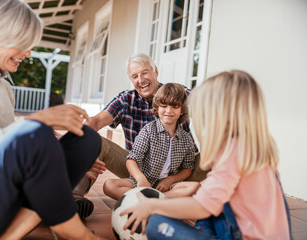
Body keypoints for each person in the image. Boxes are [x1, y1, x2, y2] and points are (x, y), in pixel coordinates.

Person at [0, 0, 105, 239]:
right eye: (22, 43)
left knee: (88, 139)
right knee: (34, 130)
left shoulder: (2, 86)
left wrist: (52, 156)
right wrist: (35, 122)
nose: (28, 53)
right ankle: (77, 233)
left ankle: (9, 235)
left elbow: (11, 149)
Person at [120, 70, 292, 239]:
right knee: (211, 202)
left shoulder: (233, 152)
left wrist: (152, 206)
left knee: (156, 222)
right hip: (250, 229)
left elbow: (202, 206)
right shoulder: (253, 147)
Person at [76, 53, 208, 218]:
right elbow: (95, 122)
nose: (141, 79)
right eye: (135, 76)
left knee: (223, 150)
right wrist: (80, 146)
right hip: (138, 170)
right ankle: (75, 197)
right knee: (94, 141)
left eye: (145, 72)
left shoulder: (179, 93)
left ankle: (229, 204)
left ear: (156, 71)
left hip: (179, 172)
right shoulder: (126, 100)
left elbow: (210, 111)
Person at [103, 83, 199, 200]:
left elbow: (187, 168)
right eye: (164, 106)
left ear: (182, 110)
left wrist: (169, 180)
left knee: (195, 186)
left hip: (166, 187)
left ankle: (149, 201)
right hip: (142, 182)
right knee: (109, 185)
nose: (169, 111)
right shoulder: (148, 130)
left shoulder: (186, 139)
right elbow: (131, 160)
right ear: (157, 108)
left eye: (175, 107)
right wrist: (141, 179)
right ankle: (156, 201)